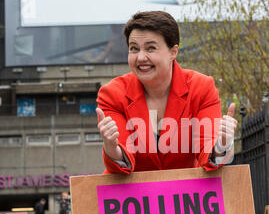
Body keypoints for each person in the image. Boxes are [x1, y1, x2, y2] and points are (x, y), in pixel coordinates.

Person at [96, 11, 237, 174]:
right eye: (134, 49)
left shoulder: (201, 88)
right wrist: (111, 148)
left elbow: (209, 155)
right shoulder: (112, 94)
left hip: (186, 195)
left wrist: (222, 144)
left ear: (173, 52)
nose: (141, 57)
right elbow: (121, 164)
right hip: (132, 195)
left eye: (151, 48)